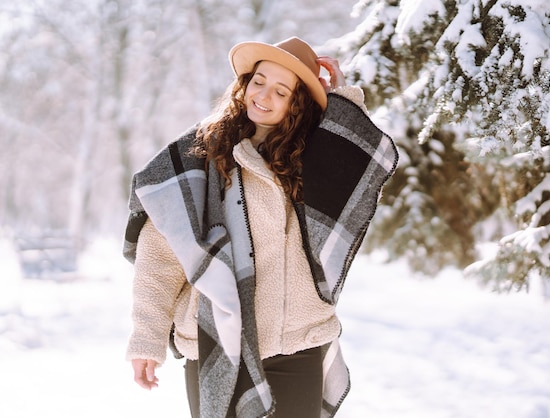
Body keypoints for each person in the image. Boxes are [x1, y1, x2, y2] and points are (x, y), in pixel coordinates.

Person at [123, 36, 398, 418]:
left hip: (296, 344)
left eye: (280, 90)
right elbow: (159, 258)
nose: (263, 95)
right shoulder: (198, 158)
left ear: (297, 102)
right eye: (258, 81)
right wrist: (146, 339)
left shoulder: (315, 160)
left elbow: (359, 166)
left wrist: (341, 98)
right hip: (215, 343)